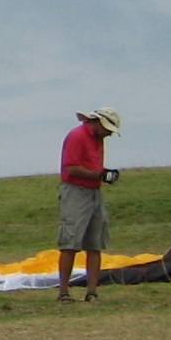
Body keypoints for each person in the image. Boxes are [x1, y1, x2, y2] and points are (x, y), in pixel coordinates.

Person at [55, 108, 121, 302]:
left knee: (95, 242)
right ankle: (63, 291)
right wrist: (100, 175)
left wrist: (103, 174)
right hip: (76, 191)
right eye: (107, 128)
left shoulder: (98, 139)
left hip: (94, 191)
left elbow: (93, 166)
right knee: (70, 242)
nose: (109, 133)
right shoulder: (77, 136)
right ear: (98, 123)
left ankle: (92, 292)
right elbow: (72, 168)